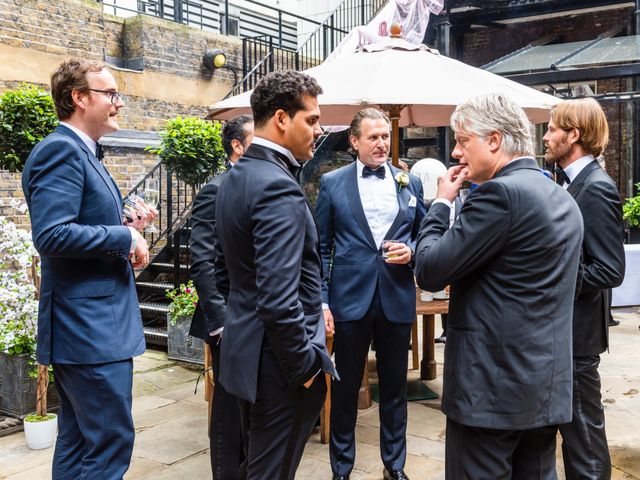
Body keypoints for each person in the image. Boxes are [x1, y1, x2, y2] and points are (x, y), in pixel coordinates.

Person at [414, 93, 584, 479]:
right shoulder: (561, 197)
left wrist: (440, 204)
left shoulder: (499, 194)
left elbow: (430, 269)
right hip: (544, 386)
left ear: (494, 140)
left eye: (462, 140)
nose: (456, 152)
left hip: (490, 392)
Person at [21, 58, 156, 479]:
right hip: (89, 330)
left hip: (95, 327)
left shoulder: (84, 152)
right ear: (79, 98)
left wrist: (127, 229)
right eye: (110, 94)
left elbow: (79, 227)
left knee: (80, 440)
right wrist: (124, 238)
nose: (118, 103)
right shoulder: (61, 149)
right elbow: (53, 235)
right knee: (110, 442)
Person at [213, 70, 337, 480]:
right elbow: (278, 297)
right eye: (312, 120)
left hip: (246, 355)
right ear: (282, 118)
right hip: (278, 368)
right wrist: (305, 369)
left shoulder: (235, 178)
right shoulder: (276, 185)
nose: (318, 131)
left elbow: (227, 275)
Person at [316, 108, 426, 480]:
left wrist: (411, 250)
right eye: (373, 137)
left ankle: (394, 466)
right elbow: (322, 247)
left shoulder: (409, 182)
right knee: (345, 390)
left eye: (385, 137)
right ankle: (341, 469)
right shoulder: (332, 184)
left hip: (395, 296)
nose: (382, 144)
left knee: (395, 389)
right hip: (349, 300)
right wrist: (323, 301)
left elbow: (426, 235)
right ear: (354, 142)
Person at [544, 97, 625, 480]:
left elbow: (610, 269)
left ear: (573, 135)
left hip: (577, 337)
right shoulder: (572, 183)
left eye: (552, 129)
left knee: (584, 439)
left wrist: (552, 282)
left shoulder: (596, 188)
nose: (546, 137)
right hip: (562, 334)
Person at [189, 114, 254, 479]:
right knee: (229, 411)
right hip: (228, 318)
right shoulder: (215, 189)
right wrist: (221, 322)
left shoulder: (258, 184)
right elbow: (202, 261)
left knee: (250, 406)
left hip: (254, 315)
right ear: (237, 146)